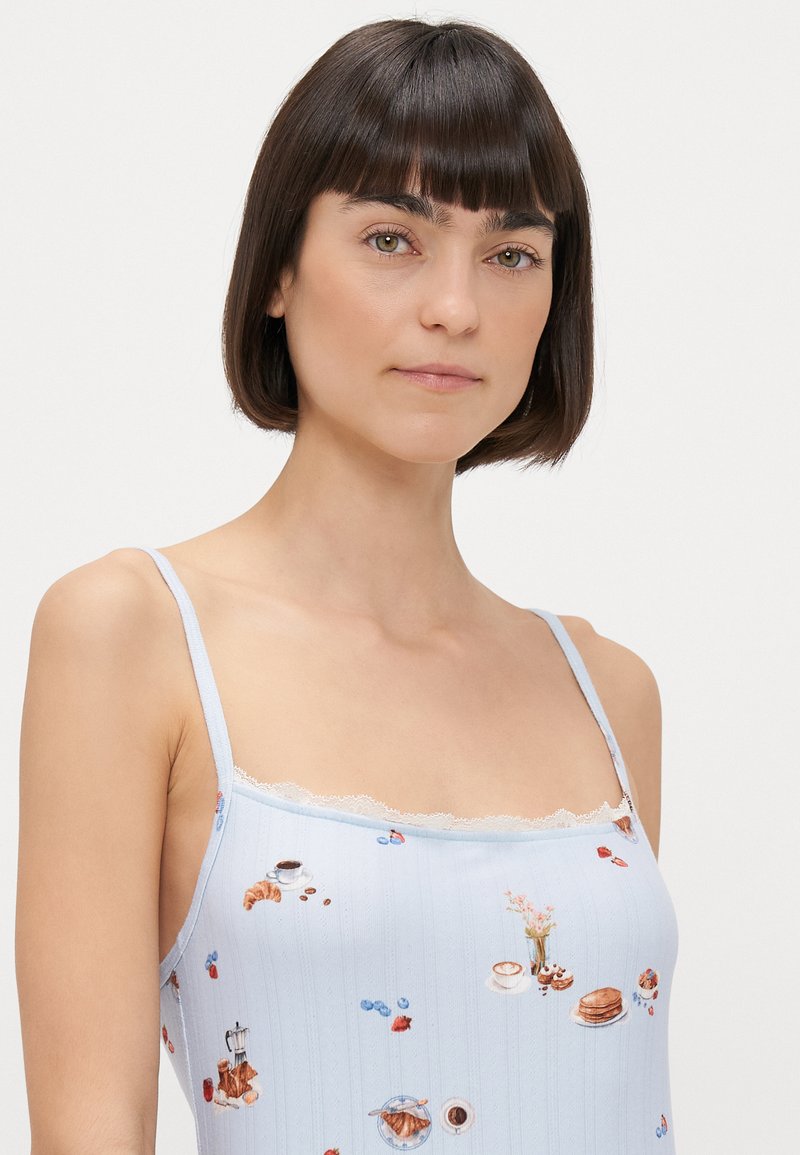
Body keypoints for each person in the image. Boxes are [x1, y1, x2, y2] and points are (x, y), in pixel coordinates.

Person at [16, 17, 678, 1154]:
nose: (455, 308)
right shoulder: (133, 634)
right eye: (391, 239)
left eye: (511, 254)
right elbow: (88, 1130)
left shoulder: (607, 690)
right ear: (278, 269)